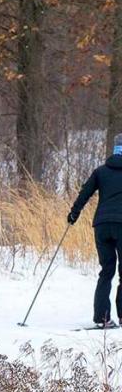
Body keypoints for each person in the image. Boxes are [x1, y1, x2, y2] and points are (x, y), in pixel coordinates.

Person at [69, 133, 122, 328]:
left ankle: (102, 318)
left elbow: (85, 193)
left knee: (106, 271)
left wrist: (74, 214)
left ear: (114, 150)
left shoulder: (100, 171)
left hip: (101, 226)